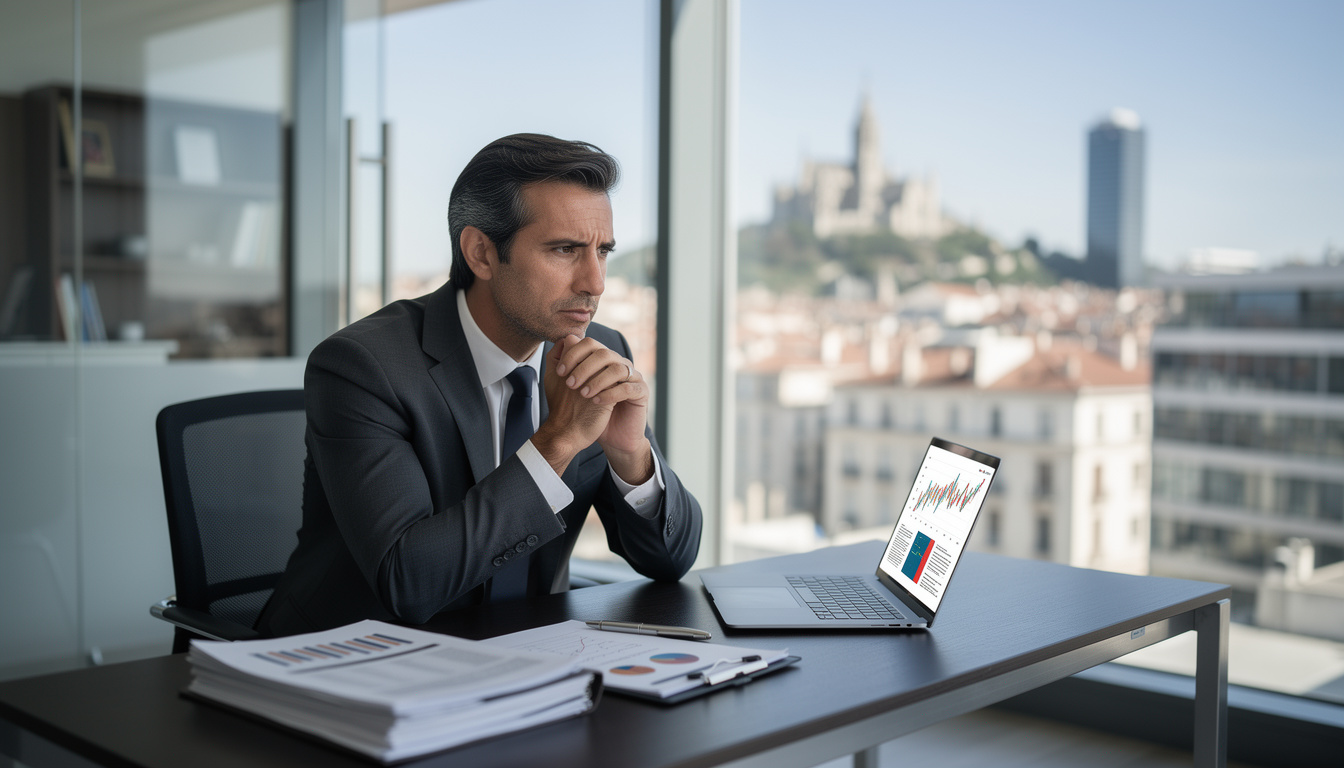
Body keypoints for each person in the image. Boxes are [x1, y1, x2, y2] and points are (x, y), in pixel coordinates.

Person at [256, 134, 703, 636]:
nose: (595, 282)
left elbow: (671, 560)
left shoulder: (599, 350)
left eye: (603, 252)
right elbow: (409, 583)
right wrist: (557, 442)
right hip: (352, 659)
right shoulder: (363, 367)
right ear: (481, 253)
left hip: (529, 656)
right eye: (564, 250)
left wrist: (632, 457)